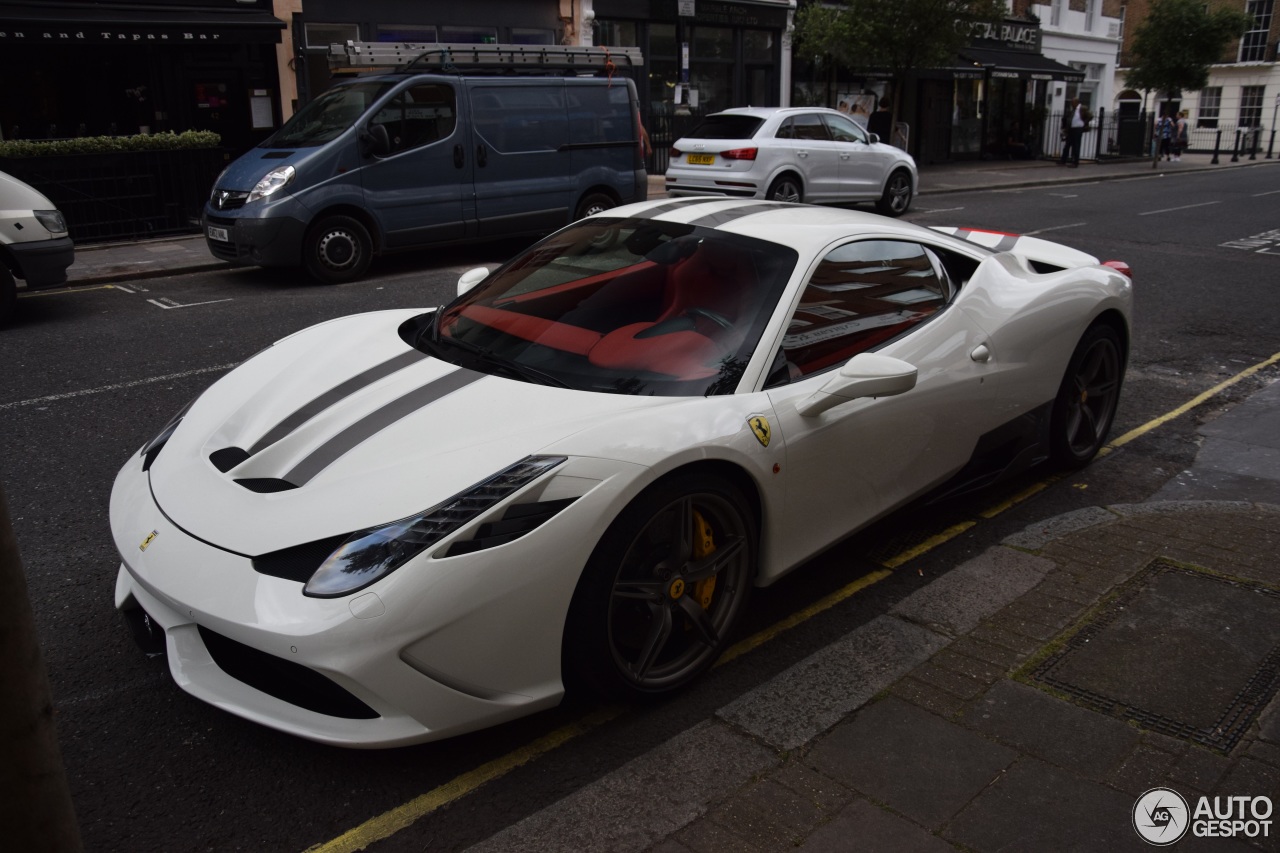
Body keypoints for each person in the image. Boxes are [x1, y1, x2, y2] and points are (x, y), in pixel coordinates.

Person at [1058, 98, 1091, 167]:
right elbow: (1070, 119)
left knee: (1076, 146)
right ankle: (1063, 160)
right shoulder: (1073, 110)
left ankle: (1075, 162)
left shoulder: (1082, 108)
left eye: (1072, 103)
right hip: (1071, 129)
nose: (1071, 104)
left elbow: (1090, 116)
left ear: (1076, 102)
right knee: (1067, 145)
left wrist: (1083, 122)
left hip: (1078, 129)